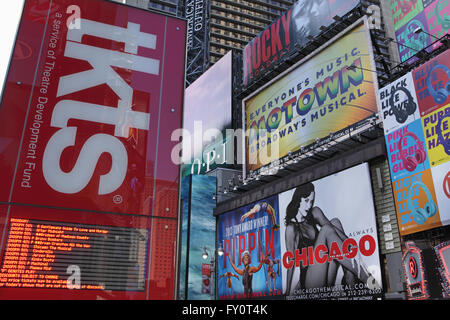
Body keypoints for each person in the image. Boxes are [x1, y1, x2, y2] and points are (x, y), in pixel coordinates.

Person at [284, 182, 377, 296]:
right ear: (298, 199)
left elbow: (335, 230)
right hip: (311, 281)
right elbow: (291, 263)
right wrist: (287, 293)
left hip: (327, 273)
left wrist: (352, 247)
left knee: (335, 223)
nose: (309, 206)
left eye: (311, 201)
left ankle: (350, 277)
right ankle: (366, 280)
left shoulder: (314, 212)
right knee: (327, 229)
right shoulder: (291, 228)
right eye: (306, 201)